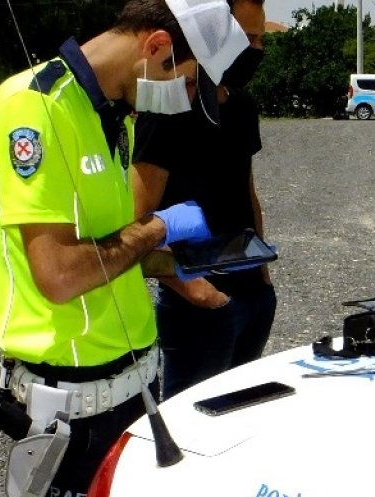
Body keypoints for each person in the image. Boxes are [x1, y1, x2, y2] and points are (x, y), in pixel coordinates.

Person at [0, 1, 248, 497]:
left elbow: (106, 251)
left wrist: (175, 264)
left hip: (131, 391)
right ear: (155, 47)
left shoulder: (109, 114)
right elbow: (61, 274)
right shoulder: (33, 107)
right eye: (184, 82)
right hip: (69, 413)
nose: (182, 100)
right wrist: (154, 228)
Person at [132, 0, 274, 400]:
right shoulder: (169, 106)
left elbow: (247, 193)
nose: (256, 51)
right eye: (247, 39)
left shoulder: (242, 106)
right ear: (217, 35)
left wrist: (264, 281)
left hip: (252, 294)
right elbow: (137, 218)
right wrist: (195, 290)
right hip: (199, 304)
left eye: (261, 40)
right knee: (190, 428)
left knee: (240, 418)